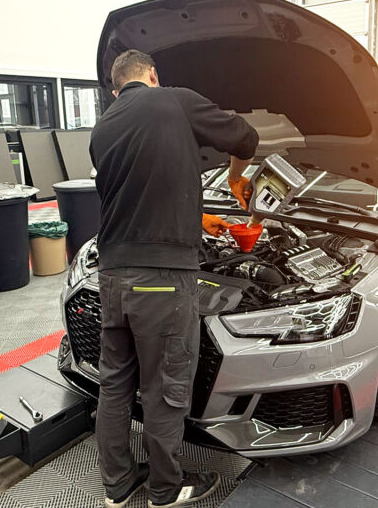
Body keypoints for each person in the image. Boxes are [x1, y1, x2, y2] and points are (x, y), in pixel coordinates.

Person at [89, 49, 259, 508]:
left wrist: (196, 218)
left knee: (115, 384)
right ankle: (166, 489)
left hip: (112, 274)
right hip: (161, 278)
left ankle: (118, 485)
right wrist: (235, 175)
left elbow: (136, 193)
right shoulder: (173, 99)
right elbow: (246, 137)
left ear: (115, 89)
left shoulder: (102, 128)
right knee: (164, 388)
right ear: (152, 75)